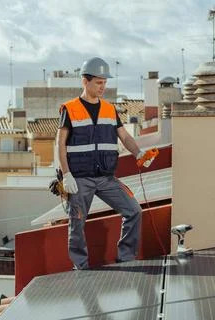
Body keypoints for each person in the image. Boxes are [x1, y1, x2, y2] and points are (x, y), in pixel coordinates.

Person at [57, 57, 152, 270]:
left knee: (134, 210)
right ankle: (80, 267)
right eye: (99, 82)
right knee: (77, 223)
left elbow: (124, 136)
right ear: (85, 82)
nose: (103, 87)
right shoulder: (69, 109)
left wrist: (138, 153)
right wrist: (66, 174)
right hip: (79, 179)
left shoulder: (110, 109)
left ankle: (126, 257)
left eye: (105, 83)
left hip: (106, 178)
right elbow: (60, 143)